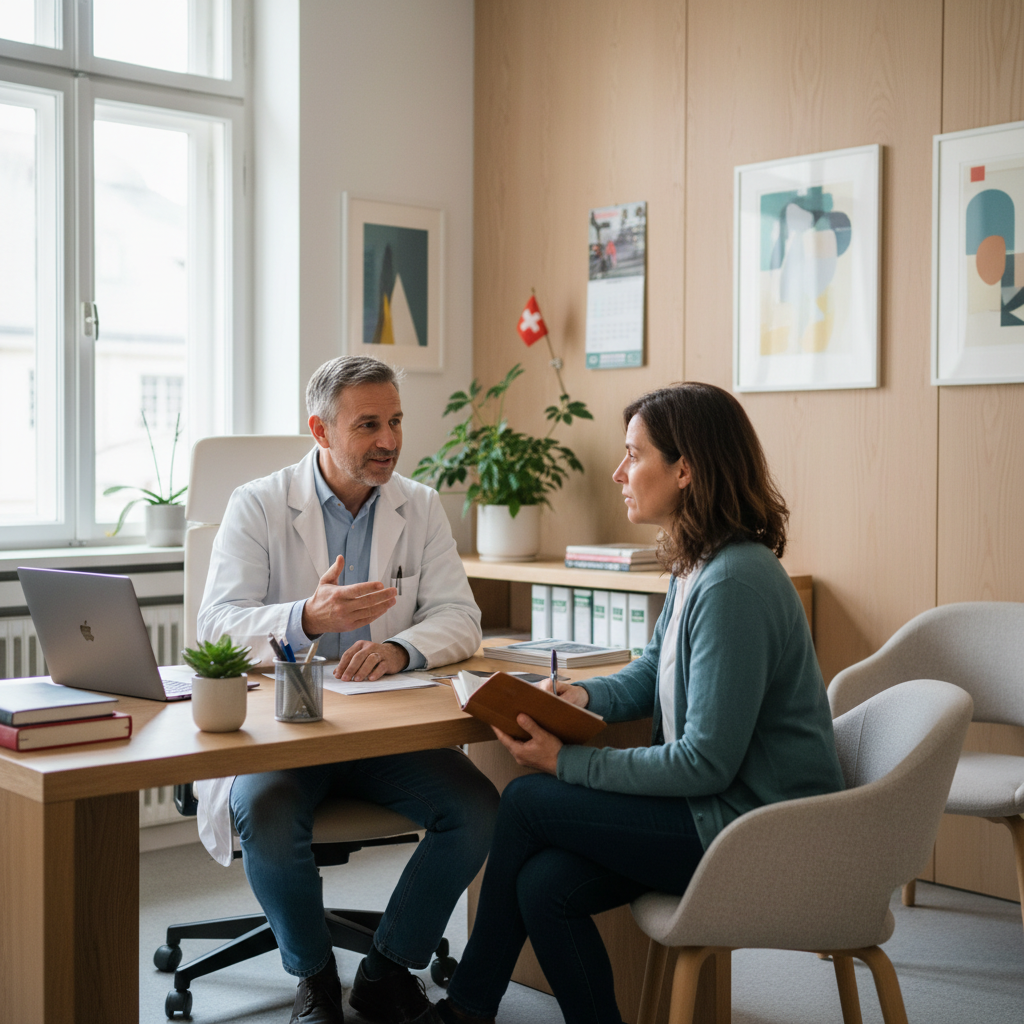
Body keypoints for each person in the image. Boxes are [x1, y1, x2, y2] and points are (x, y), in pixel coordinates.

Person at [430, 382, 846, 1024]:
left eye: (633, 454)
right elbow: (654, 669)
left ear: (686, 469)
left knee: (526, 800)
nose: (619, 472)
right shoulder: (698, 564)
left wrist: (565, 763)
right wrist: (580, 694)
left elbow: (705, 763)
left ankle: (465, 1009)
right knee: (546, 887)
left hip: (756, 830)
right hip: (717, 814)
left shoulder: (734, 581)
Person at [195, 355, 499, 1024]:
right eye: (367, 424)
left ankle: (389, 969)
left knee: (477, 806)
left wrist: (399, 647)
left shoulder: (418, 505)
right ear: (320, 429)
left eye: (394, 421)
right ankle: (313, 977)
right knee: (268, 812)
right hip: (287, 731)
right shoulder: (258, 504)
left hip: (381, 732)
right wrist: (308, 616)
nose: (388, 439)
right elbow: (215, 624)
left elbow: (460, 616)